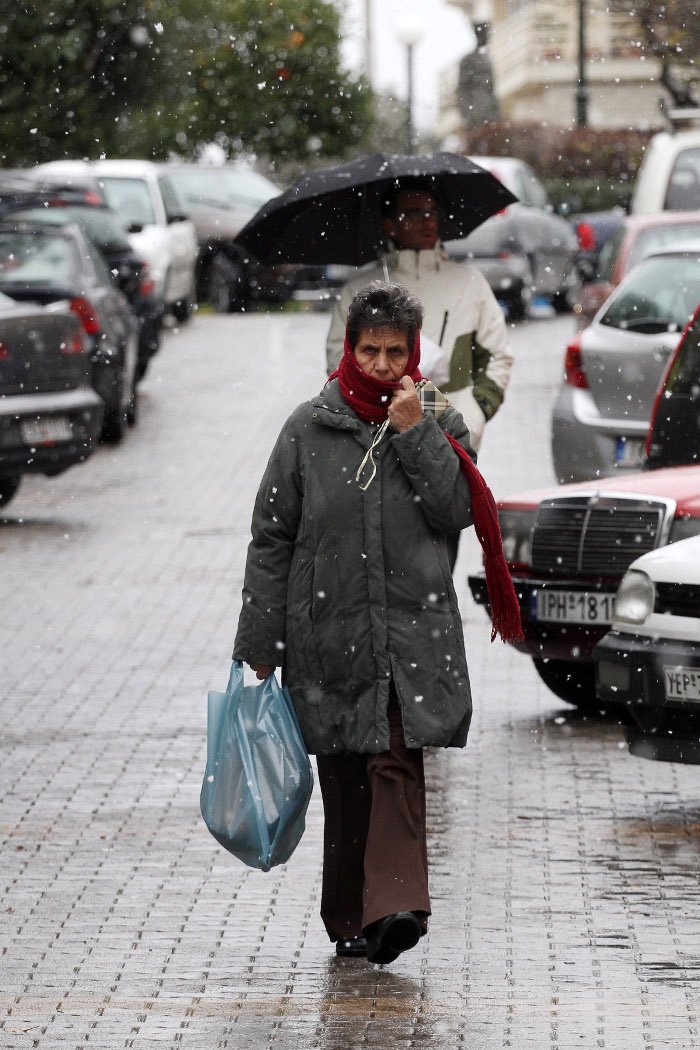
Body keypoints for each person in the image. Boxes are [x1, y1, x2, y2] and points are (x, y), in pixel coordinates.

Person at [233, 282, 476, 966]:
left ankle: (396, 907)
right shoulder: (308, 427)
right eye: (369, 350)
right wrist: (260, 641)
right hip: (328, 633)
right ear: (349, 348)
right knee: (345, 774)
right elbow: (272, 536)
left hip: (409, 635)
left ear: (413, 353)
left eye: (395, 352)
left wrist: (415, 432)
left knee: (395, 761)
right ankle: (349, 915)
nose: (381, 364)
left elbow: (456, 508)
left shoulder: (438, 418)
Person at [326, 179, 513, 455]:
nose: (427, 221)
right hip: (375, 439)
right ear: (390, 225)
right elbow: (339, 360)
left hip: (453, 437)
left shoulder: (469, 283)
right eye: (414, 213)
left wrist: (476, 412)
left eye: (432, 212)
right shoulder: (359, 290)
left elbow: (497, 355)